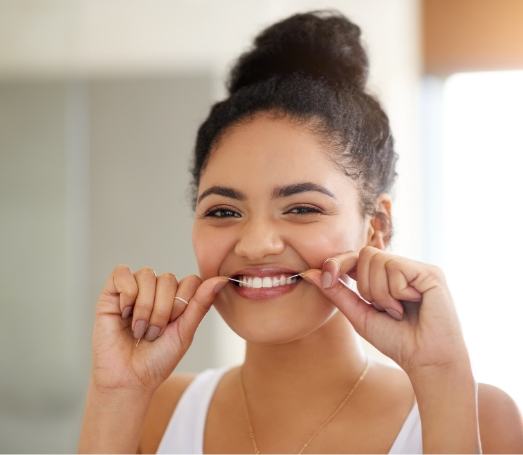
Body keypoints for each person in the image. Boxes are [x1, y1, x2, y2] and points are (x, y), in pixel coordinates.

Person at [78, 9, 523, 454]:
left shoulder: (478, 414)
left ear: (377, 227)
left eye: (302, 208)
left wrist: (442, 374)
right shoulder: (155, 412)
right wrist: (115, 394)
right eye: (224, 212)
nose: (255, 245)